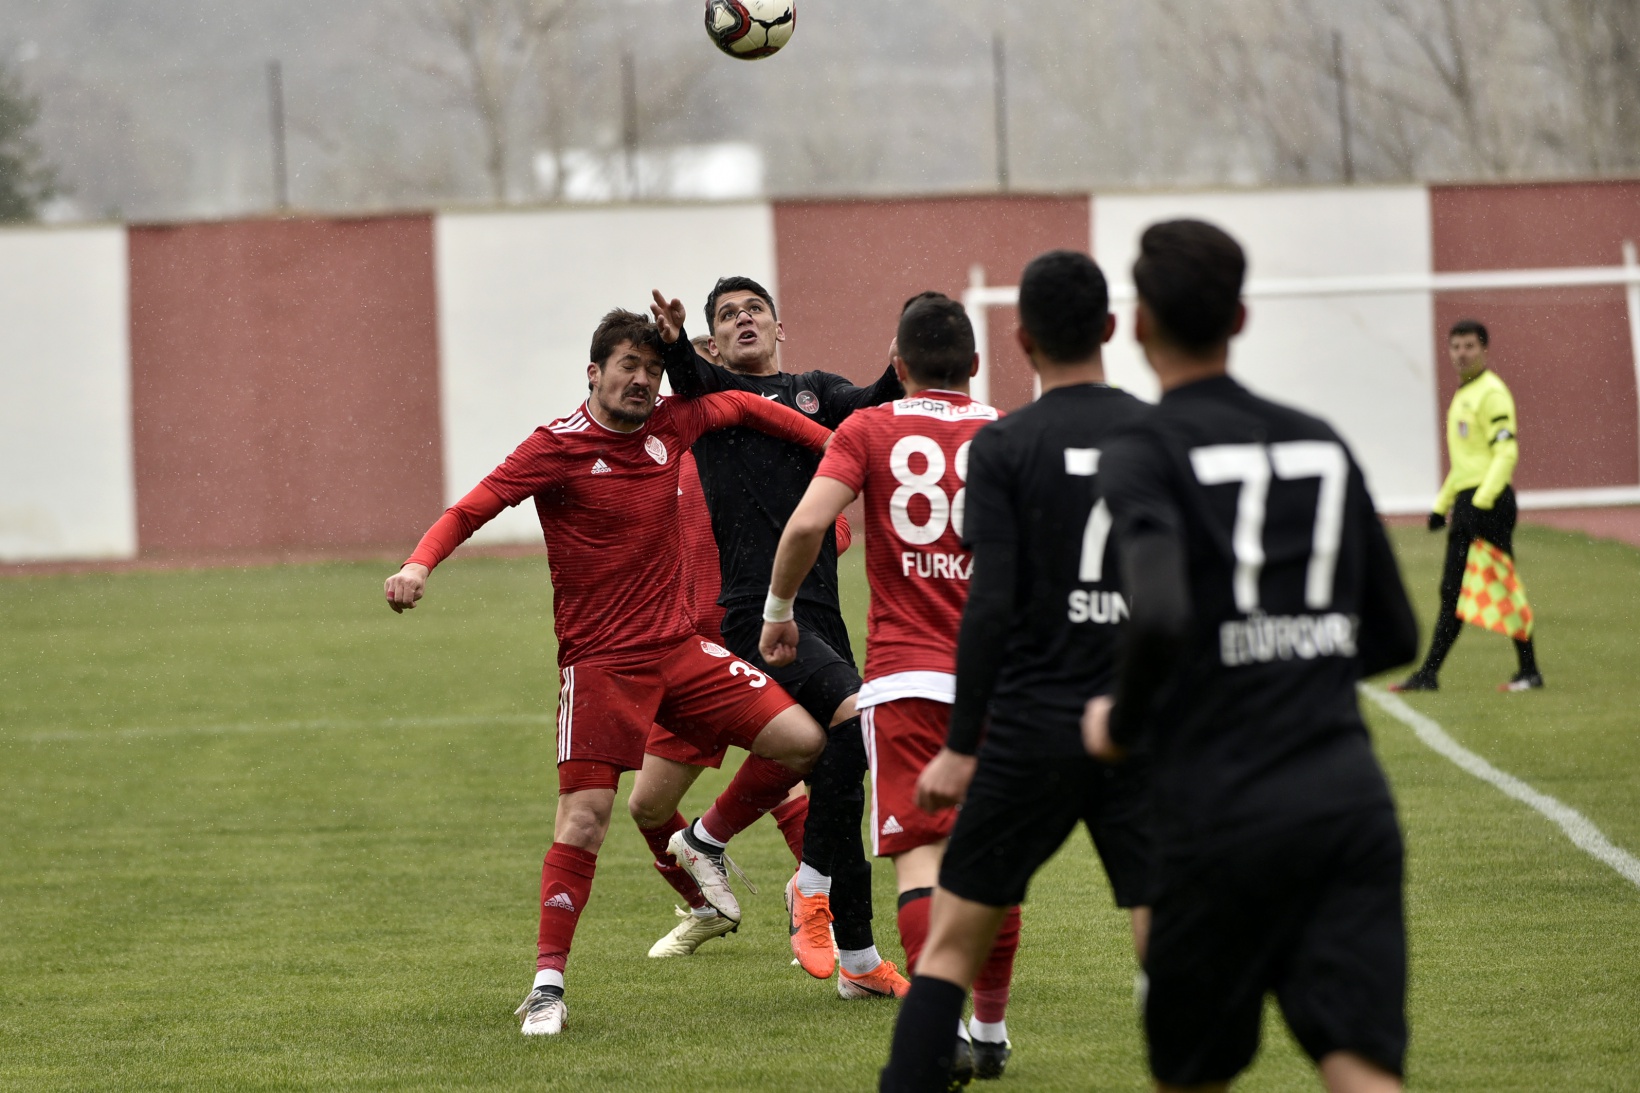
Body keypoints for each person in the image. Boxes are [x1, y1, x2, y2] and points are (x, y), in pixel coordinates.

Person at [382, 308, 834, 1036]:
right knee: (586, 821)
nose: (642, 380)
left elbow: (746, 406)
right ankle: (547, 988)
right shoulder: (555, 446)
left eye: (652, 370)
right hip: (600, 668)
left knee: (805, 741)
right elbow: (471, 509)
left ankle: (705, 841)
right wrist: (417, 564)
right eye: (628, 366)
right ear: (594, 372)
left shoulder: (672, 426)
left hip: (682, 654)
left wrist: (838, 447)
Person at [1084, 220, 1420, 1092]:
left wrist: (1120, 722)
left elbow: (1160, 613)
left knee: (1194, 1072)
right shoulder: (1320, 439)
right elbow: (1396, 634)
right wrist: (1291, 661)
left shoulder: (1144, 449)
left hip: (1215, 809)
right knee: (1361, 1065)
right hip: (1344, 801)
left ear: (1141, 323)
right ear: (1239, 317)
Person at [879, 254, 1155, 1091]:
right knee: (1164, 921)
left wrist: (962, 747)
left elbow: (989, 605)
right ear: (1112, 328)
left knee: (954, 934)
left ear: (1022, 338)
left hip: (1032, 722)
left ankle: (930, 1063)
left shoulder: (1004, 443)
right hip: (1136, 719)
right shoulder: (1158, 434)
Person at [762, 291, 1027, 1079]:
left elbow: (807, 524)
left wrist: (779, 612)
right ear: (974, 363)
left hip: (907, 678)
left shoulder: (869, 427)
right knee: (993, 859)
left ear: (899, 365)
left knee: (920, 859)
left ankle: (940, 1027)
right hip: (998, 681)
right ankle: (991, 1029)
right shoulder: (1006, 431)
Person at [650, 279, 910, 998]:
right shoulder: (713, 399)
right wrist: (672, 344)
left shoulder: (815, 390)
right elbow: (688, 375)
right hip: (754, 614)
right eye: (727, 315)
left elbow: (872, 404)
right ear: (713, 338)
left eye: (753, 310)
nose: (743, 320)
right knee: (856, 723)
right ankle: (803, 882)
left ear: (778, 326)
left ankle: (858, 961)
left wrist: (899, 366)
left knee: (841, 779)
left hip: (818, 611)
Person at [1391, 319, 1543, 692]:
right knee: (1456, 590)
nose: (1461, 354)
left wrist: (1480, 501)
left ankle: (1525, 672)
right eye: (1456, 347)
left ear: (1484, 350)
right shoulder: (1464, 395)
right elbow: (1465, 465)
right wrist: (1441, 505)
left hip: (1487, 504)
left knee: (1492, 585)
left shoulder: (1492, 393)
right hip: (1470, 501)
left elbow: (1505, 453)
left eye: (1469, 346)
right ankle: (1432, 674)